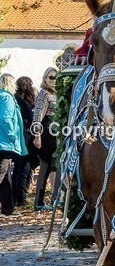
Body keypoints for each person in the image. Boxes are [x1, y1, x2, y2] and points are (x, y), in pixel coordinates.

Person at [0, 74, 28, 217]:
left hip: (3, 142)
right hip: (4, 143)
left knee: (5, 177)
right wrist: (12, 136)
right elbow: (5, 118)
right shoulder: (7, 98)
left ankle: (8, 208)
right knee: (1, 174)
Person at [32, 67, 58, 212]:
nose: (53, 80)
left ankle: (53, 198)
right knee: (45, 168)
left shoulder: (56, 93)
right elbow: (37, 116)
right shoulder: (43, 93)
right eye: (51, 77)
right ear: (45, 78)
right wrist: (37, 136)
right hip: (46, 133)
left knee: (54, 168)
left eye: (55, 77)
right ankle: (38, 202)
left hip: (56, 133)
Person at [11, 77, 38, 207]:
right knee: (24, 168)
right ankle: (20, 198)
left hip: (18, 135)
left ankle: (15, 196)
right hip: (26, 136)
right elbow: (31, 118)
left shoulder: (15, 100)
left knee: (17, 168)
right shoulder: (25, 102)